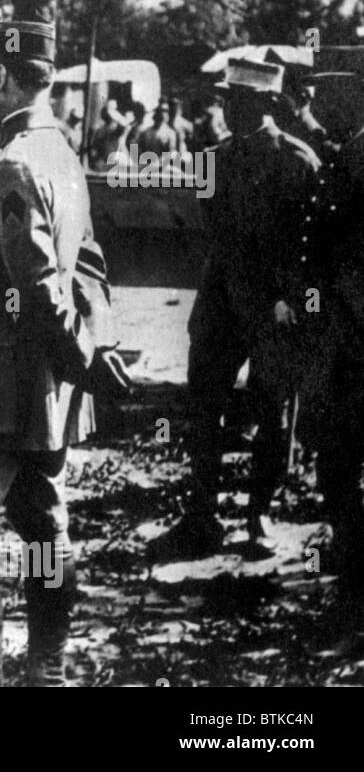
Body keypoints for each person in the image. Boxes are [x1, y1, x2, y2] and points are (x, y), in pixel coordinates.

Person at [0, 21, 125, 686]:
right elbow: (90, 267)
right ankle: (46, 672)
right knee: (41, 524)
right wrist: (91, 355)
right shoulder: (59, 152)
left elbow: (38, 289)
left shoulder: (14, 162)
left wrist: (81, 358)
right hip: (41, 385)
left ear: (2, 75)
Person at [148, 59, 320, 562]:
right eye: (226, 100)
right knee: (205, 410)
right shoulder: (211, 159)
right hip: (222, 303)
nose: (228, 109)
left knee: (273, 411)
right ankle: (200, 517)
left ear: (268, 105)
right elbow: (213, 235)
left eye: (240, 100)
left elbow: (311, 247)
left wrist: (293, 299)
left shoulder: (299, 162)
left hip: (275, 309)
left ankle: (258, 516)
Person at [299, 46, 364, 648]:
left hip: (355, 349)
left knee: (345, 471)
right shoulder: (347, 153)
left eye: (327, 89)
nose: (315, 101)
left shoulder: (358, 157)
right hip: (343, 343)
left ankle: (352, 608)